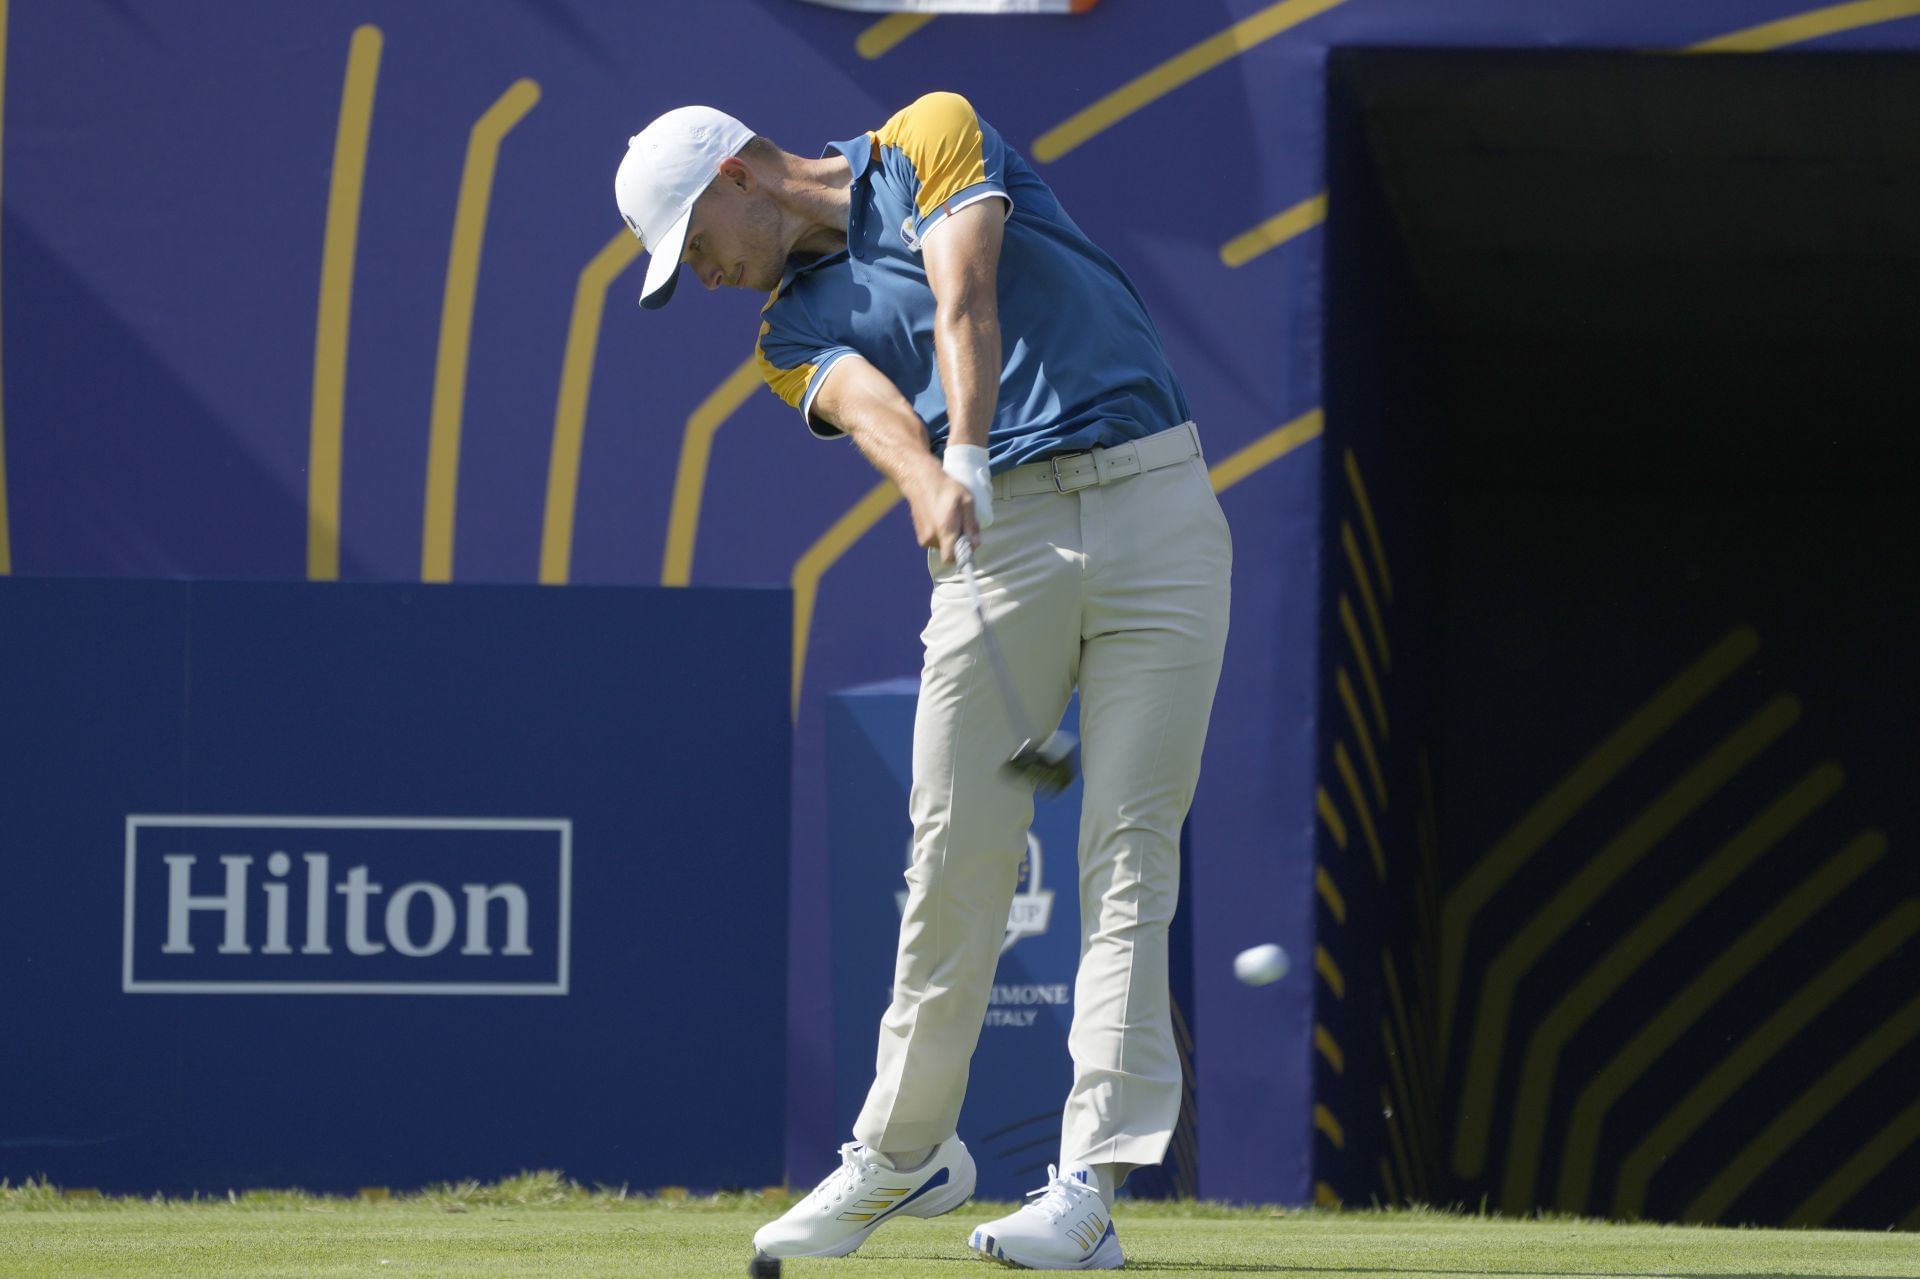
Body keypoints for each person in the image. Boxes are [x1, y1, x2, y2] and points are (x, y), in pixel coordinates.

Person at [614, 91, 1231, 1270]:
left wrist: (965, 458)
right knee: (952, 851)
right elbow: (869, 406)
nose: (699, 274)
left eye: (694, 244)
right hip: (1001, 541)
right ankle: (904, 1156)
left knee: (1129, 848)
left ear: (738, 174)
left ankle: (1087, 1189)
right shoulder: (782, 336)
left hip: (1156, 501)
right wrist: (929, 479)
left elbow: (967, 293)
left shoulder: (929, 134)